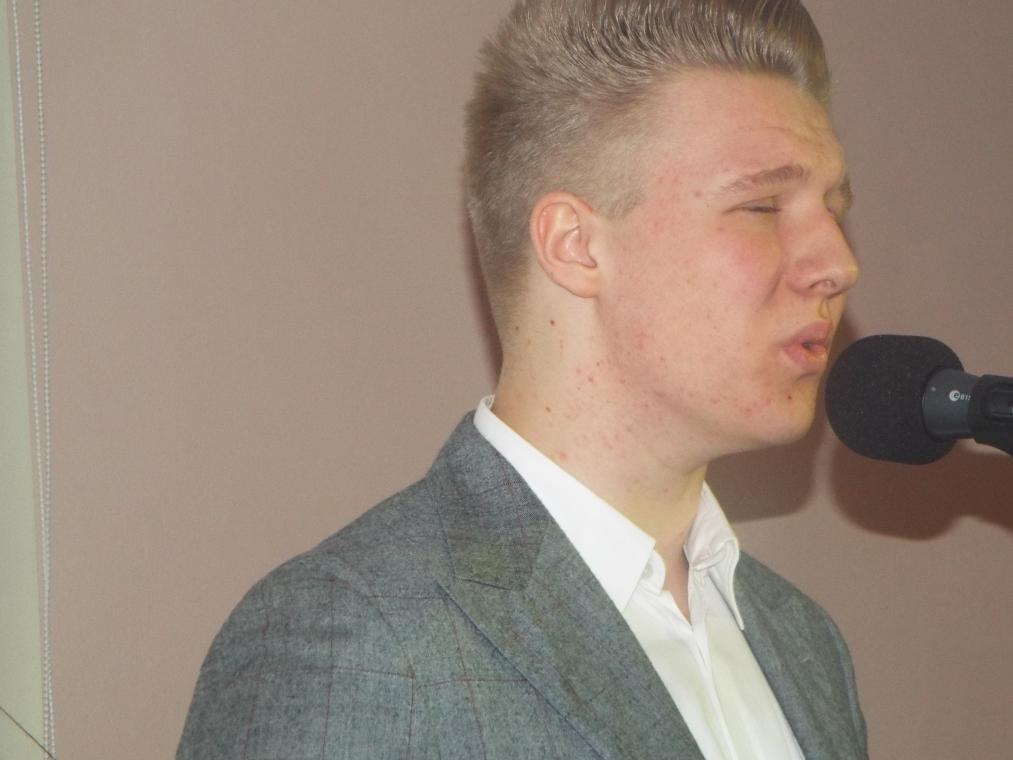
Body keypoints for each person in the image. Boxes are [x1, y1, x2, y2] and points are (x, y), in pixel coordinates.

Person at [177, 1, 866, 758]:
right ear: (574, 246)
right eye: (761, 205)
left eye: (834, 210)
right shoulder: (357, 639)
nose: (837, 263)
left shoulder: (804, 643)